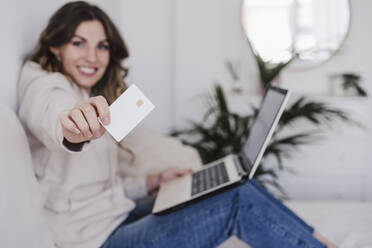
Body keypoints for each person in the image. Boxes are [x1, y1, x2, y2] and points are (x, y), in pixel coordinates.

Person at [17, 1, 336, 248]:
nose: (93, 56)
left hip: (116, 215)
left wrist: (153, 181)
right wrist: (71, 127)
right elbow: (52, 113)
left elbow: (94, 190)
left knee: (238, 184)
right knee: (236, 202)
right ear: (55, 46)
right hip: (94, 241)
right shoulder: (45, 85)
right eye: (78, 43)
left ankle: (319, 240)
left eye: (102, 46)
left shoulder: (90, 92)